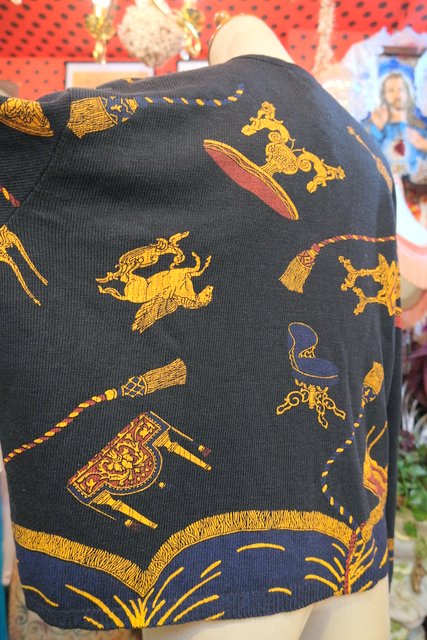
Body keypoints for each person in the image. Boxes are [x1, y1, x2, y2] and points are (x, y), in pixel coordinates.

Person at [0, 13, 400, 640]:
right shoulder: (368, 153)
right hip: (353, 528)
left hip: (224, 551)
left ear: (217, 49)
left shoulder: (179, 116)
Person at [364, 71, 427, 182]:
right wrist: (377, 129)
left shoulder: (420, 128)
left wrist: (423, 145)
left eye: (400, 89)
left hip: (415, 187)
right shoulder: (376, 129)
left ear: (408, 92)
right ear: (384, 95)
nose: (397, 95)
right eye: (390, 90)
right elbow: (366, 157)